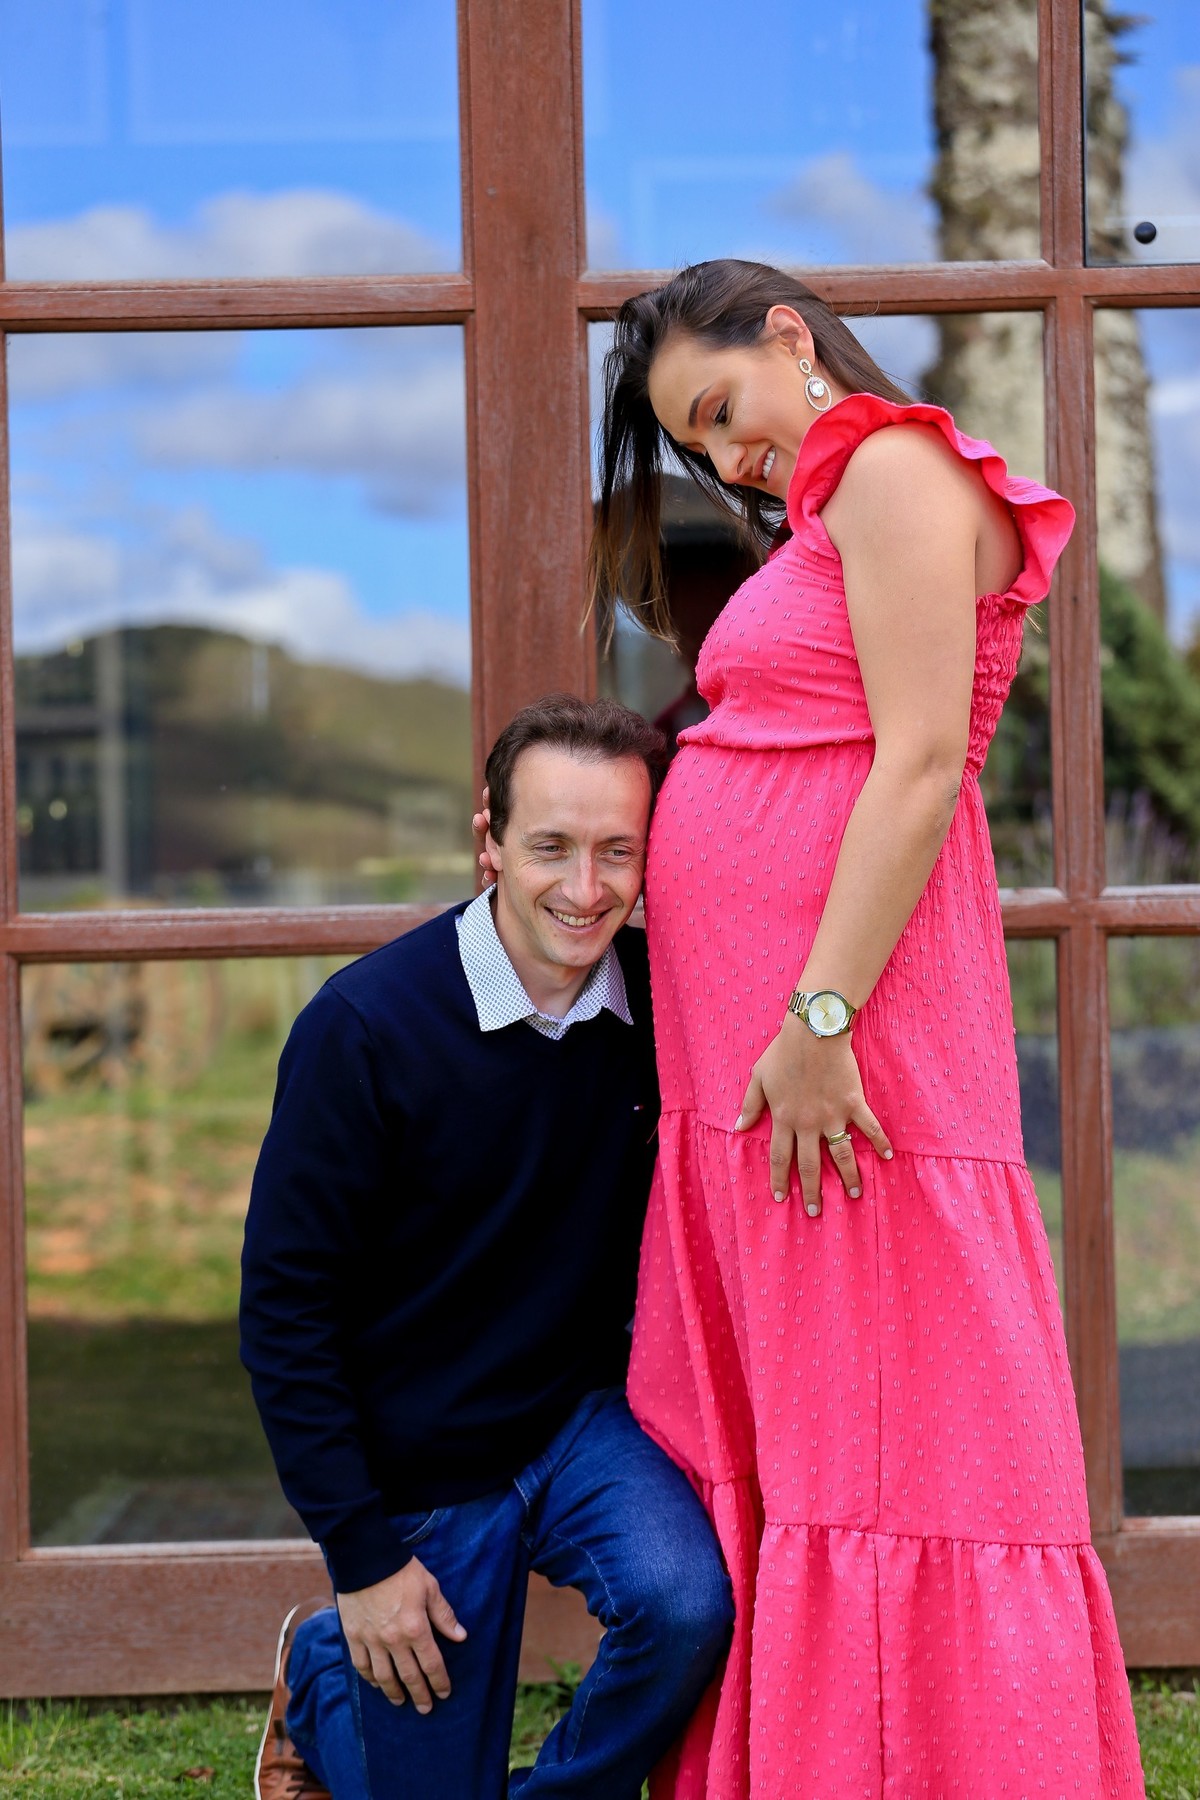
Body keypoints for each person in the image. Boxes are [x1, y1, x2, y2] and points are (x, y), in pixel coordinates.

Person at [587, 260, 1146, 1798]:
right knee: (834, 1426)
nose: (726, 457)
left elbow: (916, 769)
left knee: (910, 1424)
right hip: (767, 1057)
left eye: (721, 410)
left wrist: (820, 1014)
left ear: (789, 335)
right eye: (695, 446)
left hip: (844, 1038)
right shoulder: (836, 507)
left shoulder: (897, 471)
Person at [240, 694, 734, 1800]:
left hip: (575, 1422)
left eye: (618, 851)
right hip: (419, 1460)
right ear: (490, 842)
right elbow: (283, 1314)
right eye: (551, 846)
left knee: (687, 1605)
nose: (586, 888)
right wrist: (363, 1560)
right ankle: (322, 1674)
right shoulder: (364, 1028)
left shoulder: (665, 1006)